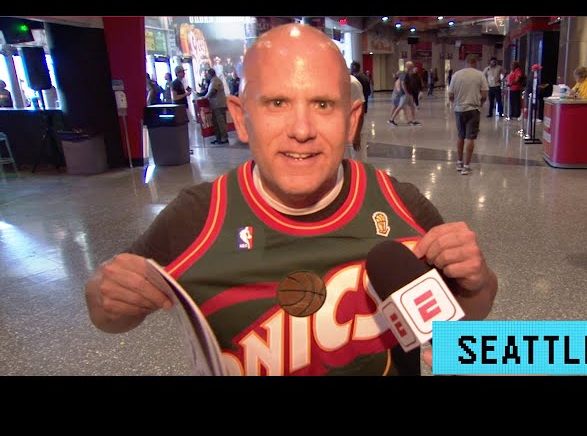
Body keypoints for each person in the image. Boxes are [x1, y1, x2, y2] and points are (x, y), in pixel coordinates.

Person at [84, 23, 497, 376]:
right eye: (277, 103)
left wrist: (475, 282)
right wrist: (109, 294)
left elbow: (467, 324)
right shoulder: (196, 217)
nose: (301, 130)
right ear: (241, 117)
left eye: (323, 104)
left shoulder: (403, 205)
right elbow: (108, 314)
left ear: (351, 120)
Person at [448, 54, 488, 176]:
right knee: (470, 138)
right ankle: (466, 167)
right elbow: (484, 95)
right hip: (473, 109)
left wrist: (456, 103)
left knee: (460, 136)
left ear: (466, 62)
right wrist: (480, 104)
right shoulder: (480, 75)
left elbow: (450, 95)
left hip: (459, 109)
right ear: (475, 62)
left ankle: (459, 163)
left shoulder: (456, 75)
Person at [204, 68, 229, 145]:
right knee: (216, 122)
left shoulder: (215, 80)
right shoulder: (213, 81)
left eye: (207, 74)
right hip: (216, 105)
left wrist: (205, 97)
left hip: (218, 105)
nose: (206, 76)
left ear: (210, 74)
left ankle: (224, 138)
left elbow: (212, 91)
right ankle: (218, 138)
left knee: (221, 122)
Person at [350, 61, 371, 151]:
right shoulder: (364, 77)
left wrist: (357, 135)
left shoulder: (354, 80)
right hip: (363, 102)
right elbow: (368, 91)